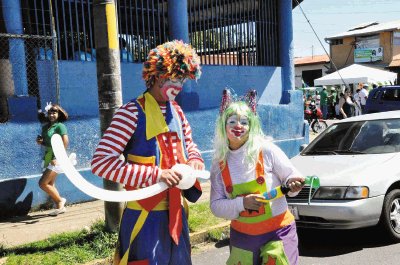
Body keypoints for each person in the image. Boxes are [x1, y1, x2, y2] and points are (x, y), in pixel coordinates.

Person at [91, 40, 204, 265]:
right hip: (145, 217)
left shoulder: (178, 112)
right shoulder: (130, 112)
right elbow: (101, 162)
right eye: (174, 78)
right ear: (157, 76)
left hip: (177, 214)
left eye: (182, 79)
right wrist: (155, 175)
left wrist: (195, 160)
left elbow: (190, 145)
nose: (179, 86)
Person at [210, 91, 304, 265]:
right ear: (223, 126)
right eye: (232, 121)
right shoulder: (219, 164)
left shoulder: (267, 150)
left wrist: (293, 182)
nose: (238, 125)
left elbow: (291, 175)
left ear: (251, 125)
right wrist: (242, 204)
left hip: (278, 231)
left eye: (244, 122)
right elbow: (215, 206)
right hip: (243, 238)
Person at [36, 103, 69, 216]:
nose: (51, 115)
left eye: (54, 113)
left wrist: (59, 157)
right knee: (50, 183)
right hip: (48, 157)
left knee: (42, 183)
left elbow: (65, 142)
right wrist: (41, 142)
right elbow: (47, 143)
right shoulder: (45, 127)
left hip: (57, 158)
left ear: (59, 114)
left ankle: (60, 201)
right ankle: (59, 206)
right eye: (50, 113)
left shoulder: (60, 126)